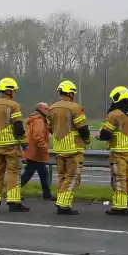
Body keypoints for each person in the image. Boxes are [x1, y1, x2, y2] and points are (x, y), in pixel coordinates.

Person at [0, 77, 28, 211]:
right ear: (9, 91)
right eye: (14, 90)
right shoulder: (14, 106)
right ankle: (14, 203)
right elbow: (18, 127)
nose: (14, 93)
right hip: (11, 146)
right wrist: (24, 142)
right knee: (13, 172)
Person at [45, 80, 90, 215]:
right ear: (70, 93)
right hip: (73, 149)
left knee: (62, 177)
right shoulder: (75, 108)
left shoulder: (51, 108)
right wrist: (87, 140)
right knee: (73, 177)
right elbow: (82, 127)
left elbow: (50, 128)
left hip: (59, 149)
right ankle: (64, 205)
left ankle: (61, 202)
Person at [97, 86, 128, 215]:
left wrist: (100, 136)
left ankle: (120, 206)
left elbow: (106, 133)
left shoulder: (114, 114)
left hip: (118, 153)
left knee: (119, 179)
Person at [20, 102, 52, 201]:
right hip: (36, 152)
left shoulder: (35, 119)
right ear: (40, 110)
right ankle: (12, 192)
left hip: (33, 151)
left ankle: (47, 194)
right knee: (30, 173)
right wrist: (44, 148)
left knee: (42, 173)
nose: (48, 110)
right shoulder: (39, 121)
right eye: (46, 108)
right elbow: (38, 136)